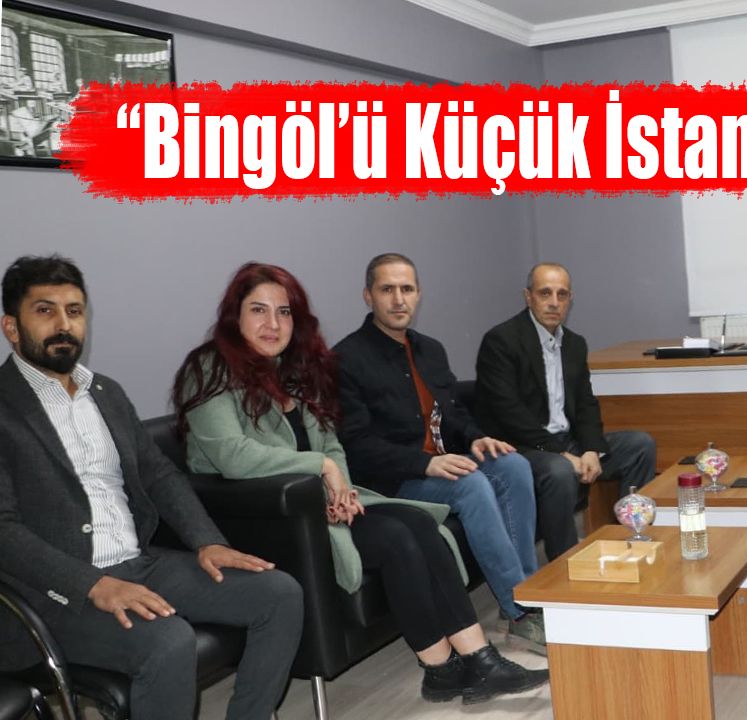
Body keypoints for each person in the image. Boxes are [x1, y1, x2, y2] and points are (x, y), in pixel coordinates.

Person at [173, 262, 547, 704]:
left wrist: (342, 489)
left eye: (284, 312)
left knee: (419, 525)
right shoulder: (211, 369)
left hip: (322, 504)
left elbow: (331, 442)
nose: (273, 323)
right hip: (270, 519)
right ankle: (443, 668)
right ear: (234, 315)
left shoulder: (293, 370)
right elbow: (232, 455)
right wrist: (322, 470)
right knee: (395, 537)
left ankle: (474, 660)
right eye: (259, 310)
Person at [0, 255, 303, 720]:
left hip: (138, 563)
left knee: (279, 594)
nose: (64, 325)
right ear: (12, 327)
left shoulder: (106, 393)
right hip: (53, 594)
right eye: (45, 310)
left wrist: (208, 542)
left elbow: (159, 475)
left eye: (74, 311)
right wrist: (92, 584)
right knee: (169, 641)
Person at [333, 253, 547, 649]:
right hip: (394, 479)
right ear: (368, 296)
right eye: (387, 289)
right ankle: (519, 612)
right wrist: (425, 463)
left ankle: (530, 595)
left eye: (407, 289)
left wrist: (476, 437)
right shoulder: (346, 359)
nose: (399, 299)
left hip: (445, 462)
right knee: (472, 486)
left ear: (419, 294)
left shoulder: (430, 349)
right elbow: (357, 445)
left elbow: (453, 412)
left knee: (513, 465)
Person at [474, 263, 658, 561]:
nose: (554, 302)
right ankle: (566, 563)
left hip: (565, 442)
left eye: (562, 294)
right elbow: (509, 412)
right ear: (528, 296)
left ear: (570, 299)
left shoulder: (574, 343)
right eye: (545, 293)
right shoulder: (502, 340)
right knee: (560, 471)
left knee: (639, 445)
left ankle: (629, 539)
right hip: (520, 447)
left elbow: (585, 403)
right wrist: (561, 454)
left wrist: (591, 449)